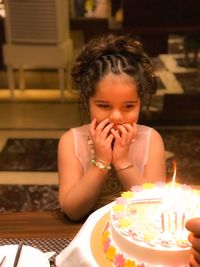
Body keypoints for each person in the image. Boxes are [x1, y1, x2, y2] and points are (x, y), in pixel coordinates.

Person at [58, 34, 166, 221]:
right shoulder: (71, 141)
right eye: (104, 106)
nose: (116, 117)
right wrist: (101, 162)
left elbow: (153, 208)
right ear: (87, 102)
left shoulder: (151, 140)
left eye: (128, 106)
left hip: (137, 232)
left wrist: (123, 162)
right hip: (85, 233)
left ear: (141, 102)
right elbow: (72, 211)